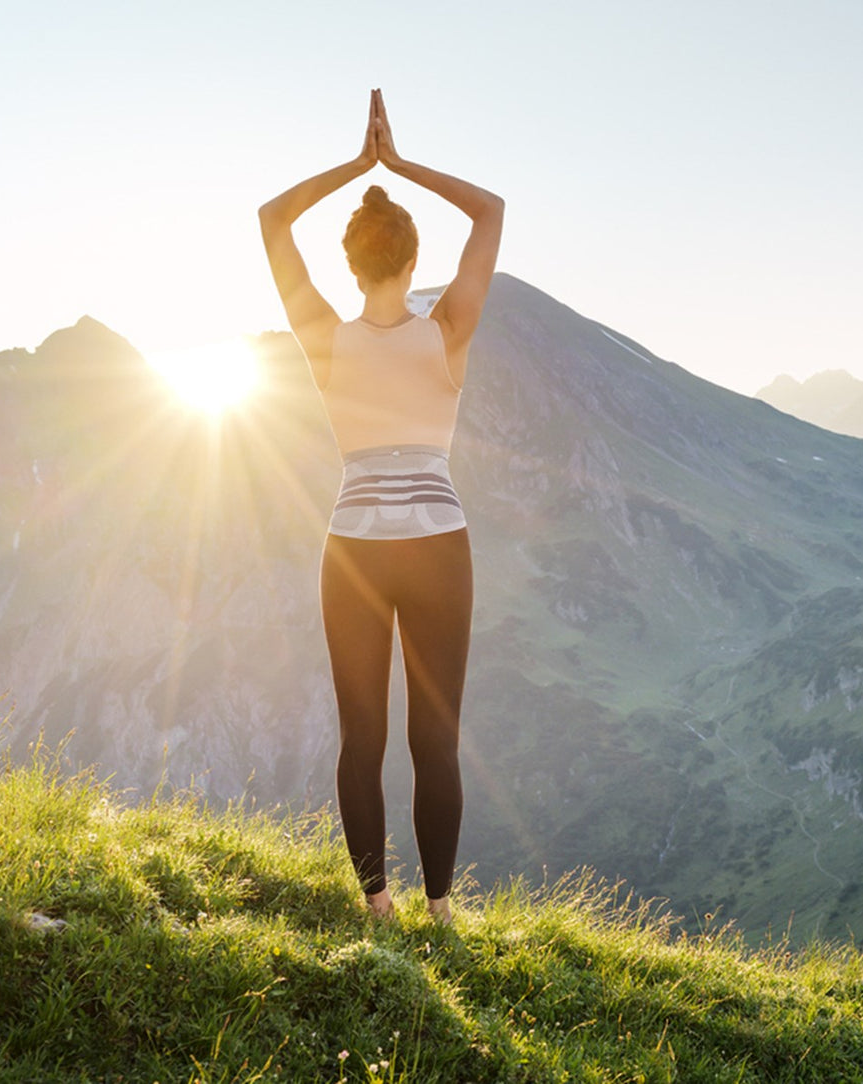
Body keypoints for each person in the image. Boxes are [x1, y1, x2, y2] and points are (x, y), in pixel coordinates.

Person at [258, 89, 503, 925]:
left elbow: (269, 219)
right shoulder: (448, 332)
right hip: (439, 544)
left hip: (352, 550)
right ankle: (439, 912)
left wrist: (355, 167)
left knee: (361, 742)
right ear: (409, 260)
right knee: (433, 742)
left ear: (351, 267)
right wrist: (398, 165)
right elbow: (491, 210)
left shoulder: (325, 337)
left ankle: (377, 908)